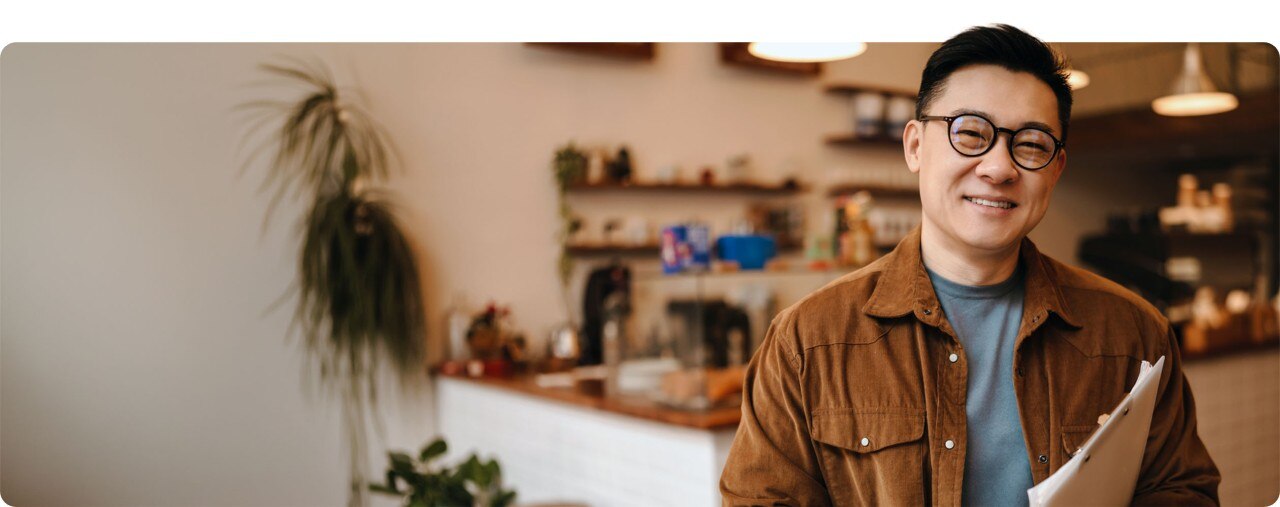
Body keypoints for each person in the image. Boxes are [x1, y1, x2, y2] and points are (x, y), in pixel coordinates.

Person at [719, 24, 1220, 506]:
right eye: (971, 133)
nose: (999, 168)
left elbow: (1181, 490)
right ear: (915, 146)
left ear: (1056, 169)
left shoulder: (1133, 334)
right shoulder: (808, 341)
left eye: (1031, 144)